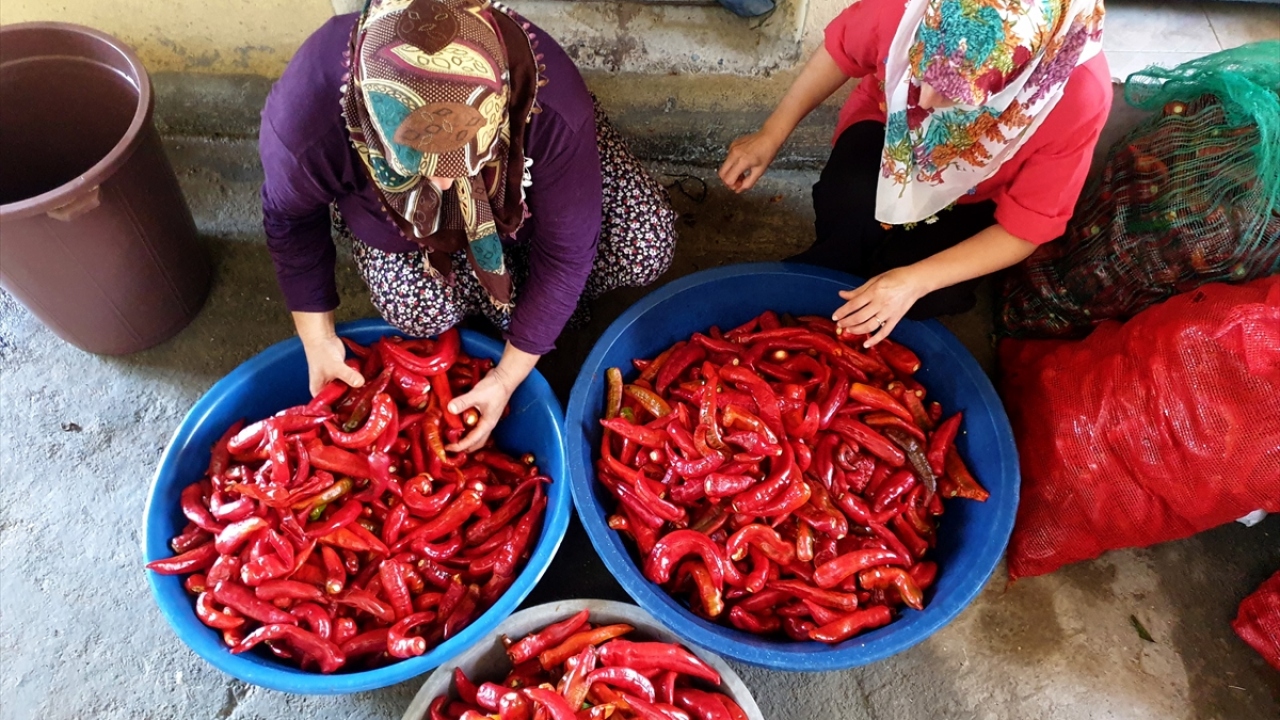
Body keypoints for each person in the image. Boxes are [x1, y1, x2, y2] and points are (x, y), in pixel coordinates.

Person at [260, 0, 675, 451]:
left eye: (465, 156)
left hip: (534, 183)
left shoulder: (548, 104)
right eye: (417, 166)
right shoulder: (308, 116)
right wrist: (317, 340)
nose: (444, 182)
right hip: (401, 230)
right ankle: (508, 305)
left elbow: (567, 251)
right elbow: (290, 220)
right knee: (415, 308)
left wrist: (506, 375)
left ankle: (523, 307)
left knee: (644, 241)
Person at [720, 0, 1110, 346]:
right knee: (849, 209)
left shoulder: (1074, 94)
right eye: (922, 69)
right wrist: (771, 133)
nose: (923, 102)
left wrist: (914, 281)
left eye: (958, 95)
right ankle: (831, 266)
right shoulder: (906, 7)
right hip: (886, 143)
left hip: (977, 193)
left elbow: (1025, 229)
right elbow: (841, 51)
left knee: (928, 292)